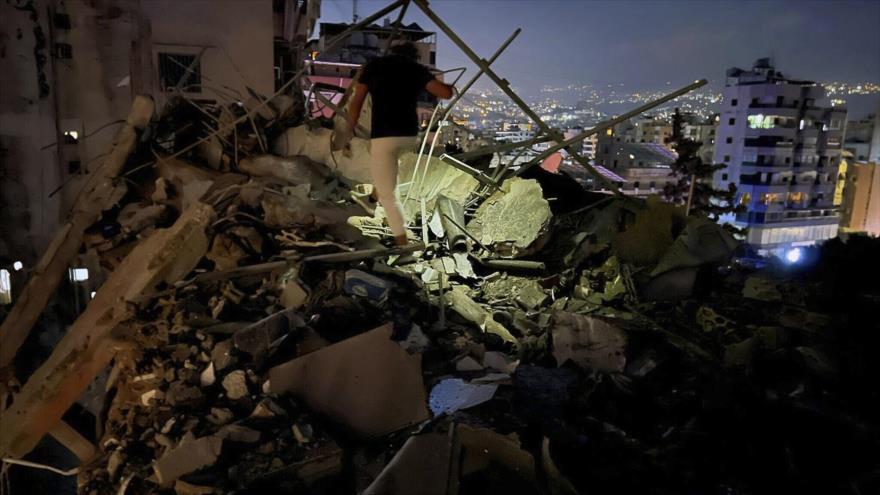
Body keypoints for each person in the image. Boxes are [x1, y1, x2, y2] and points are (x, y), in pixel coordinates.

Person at [341, 42, 455, 246]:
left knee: (388, 194)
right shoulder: (415, 69)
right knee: (388, 169)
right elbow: (445, 93)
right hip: (409, 137)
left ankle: (402, 243)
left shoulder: (374, 67)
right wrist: (448, 87)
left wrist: (348, 132)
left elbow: (356, 103)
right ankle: (374, 196)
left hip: (384, 137)